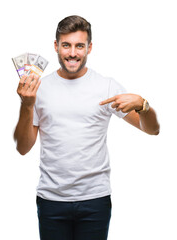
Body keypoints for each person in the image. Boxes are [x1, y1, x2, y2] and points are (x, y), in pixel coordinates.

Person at [14, 15, 160, 240]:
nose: (73, 53)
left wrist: (143, 106)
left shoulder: (106, 86)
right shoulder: (38, 89)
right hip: (51, 201)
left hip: (95, 200)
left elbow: (152, 129)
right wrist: (27, 104)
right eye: (66, 45)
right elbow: (23, 148)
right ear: (56, 46)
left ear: (89, 48)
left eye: (79, 45)